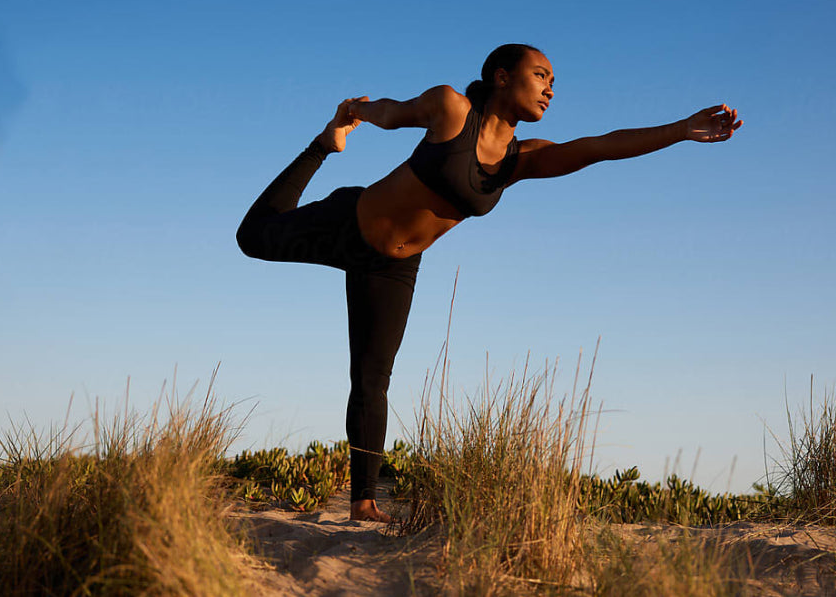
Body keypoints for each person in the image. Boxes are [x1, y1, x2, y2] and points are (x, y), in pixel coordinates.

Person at [235, 44, 742, 522]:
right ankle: (319, 146)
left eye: (553, 82)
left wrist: (679, 130)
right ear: (502, 76)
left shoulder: (518, 161)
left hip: (392, 267)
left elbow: (600, 147)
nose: (549, 89)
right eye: (540, 76)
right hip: (349, 223)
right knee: (252, 238)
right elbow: (391, 112)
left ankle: (363, 502)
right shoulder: (451, 109)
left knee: (372, 379)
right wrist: (353, 115)